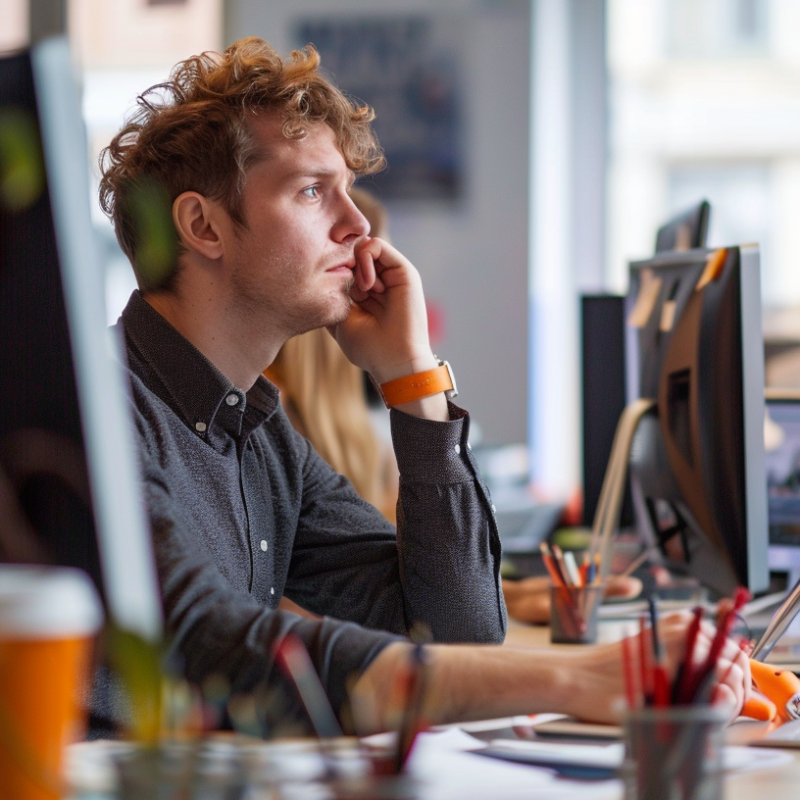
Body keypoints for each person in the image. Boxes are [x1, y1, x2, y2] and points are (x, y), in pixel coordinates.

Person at [99, 37, 750, 731]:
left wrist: (412, 378)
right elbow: (213, 646)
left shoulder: (260, 435)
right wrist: (575, 676)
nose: (356, 227)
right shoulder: (99, 413)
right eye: (313, 191)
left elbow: (457, 628)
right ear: (203, 226)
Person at [267, 187, 640, 624]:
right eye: (362, 268)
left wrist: (503, 596)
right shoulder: (269, 419)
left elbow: (399, 582)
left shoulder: (356, 426)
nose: (378, 290)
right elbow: (309, 608)